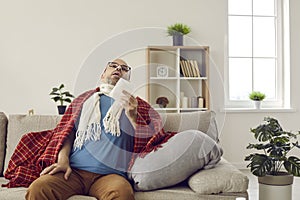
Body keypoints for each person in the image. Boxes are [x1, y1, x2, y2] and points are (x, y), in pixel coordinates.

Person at [22, 59, 173, 200]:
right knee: (39, 188)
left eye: (124, 69)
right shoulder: (83, 100)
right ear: (103, 75)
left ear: (128, 79)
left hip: (110, 176)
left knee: (122, 193)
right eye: (113, 66)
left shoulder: (138, 105)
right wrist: (63, 160)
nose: (118, 69)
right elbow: (66, 133)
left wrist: (133, 117)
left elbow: (152, 142)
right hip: (73, 172)